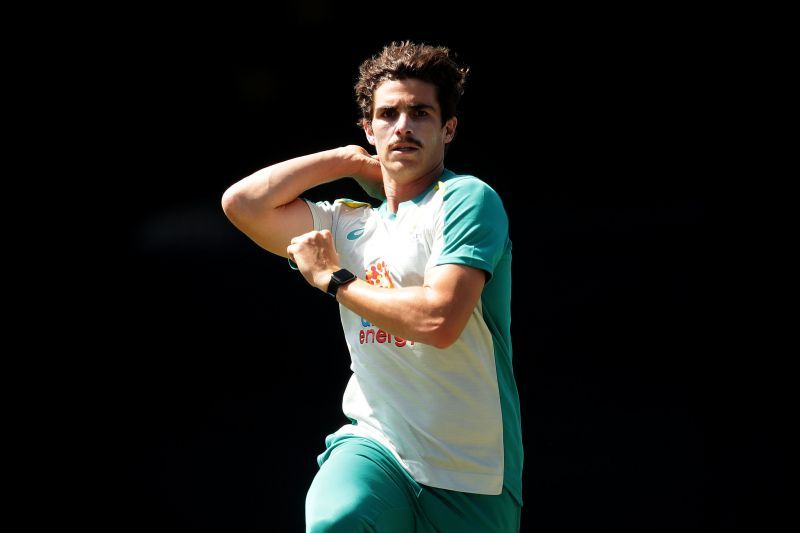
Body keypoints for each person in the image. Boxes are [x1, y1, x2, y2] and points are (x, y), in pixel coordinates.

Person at [222, 41, 523, 532]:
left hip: (472, 470)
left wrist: (335, 279)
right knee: (336, 521)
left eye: (421, 113)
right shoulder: (348, 221)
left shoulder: (467, 199)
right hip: (377, 444)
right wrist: (344, 159)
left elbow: (438, 320)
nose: (403, 126)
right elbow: (243, 204)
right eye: (388, 114)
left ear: (448, 128)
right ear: (369, 128)